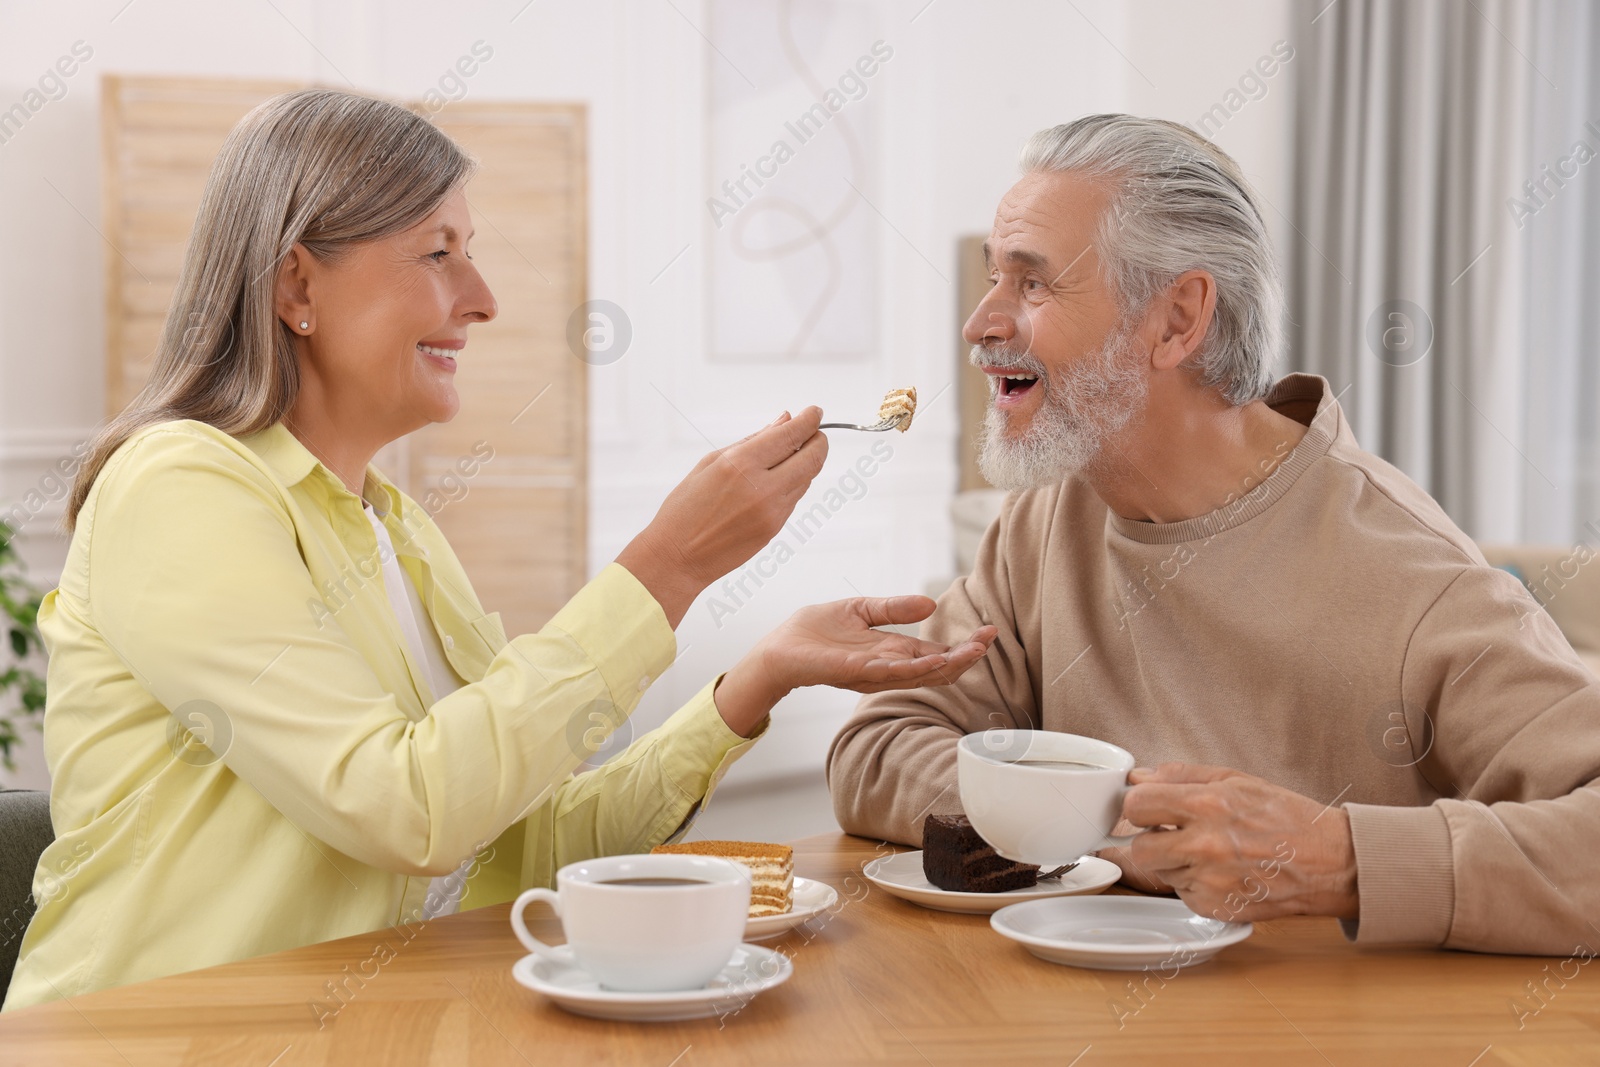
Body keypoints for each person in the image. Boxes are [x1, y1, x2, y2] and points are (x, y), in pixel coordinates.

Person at [2, 89, 996, 1011]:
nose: (482, 298)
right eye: (439, 253)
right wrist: (669, 565)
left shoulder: (397, 531)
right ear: (295, 282)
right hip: (154, 1036)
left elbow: (532, 837)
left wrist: (754, 679)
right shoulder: (178, 485)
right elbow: (405, 809)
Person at [827, 114, 1600, 955]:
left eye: (1034, 284)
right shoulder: (1045, 520)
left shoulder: (1417, 580)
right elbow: (876, 747)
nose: (980, 322)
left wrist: (1340, 860)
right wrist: (1105, 816)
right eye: (992, 280)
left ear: (1178, 320)